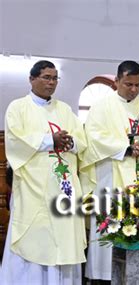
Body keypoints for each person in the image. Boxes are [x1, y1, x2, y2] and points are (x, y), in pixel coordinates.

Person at [0, 60, 87, 285]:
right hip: (33, 188)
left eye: (55, 78)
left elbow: (81, 140)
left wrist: (71, 143)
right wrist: (50, 140)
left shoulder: (64, 109)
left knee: (64, 238)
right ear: (32, 79)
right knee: (35, 237)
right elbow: (15, 141)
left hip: (64, 187)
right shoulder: (18, 107)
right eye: (46, 77)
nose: (51, 83)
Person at [80, 60, 139, 282]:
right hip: (110, 176)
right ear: (116, 81)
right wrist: (126, 148)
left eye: (138, 85)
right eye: (128, 84)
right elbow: (95, 138)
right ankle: (103, 276)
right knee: (109, 230)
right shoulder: (102, 106)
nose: (134, 89)